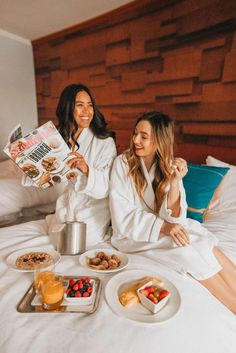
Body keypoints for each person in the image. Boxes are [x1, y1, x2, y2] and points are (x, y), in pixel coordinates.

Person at [109, 111, 236, 313]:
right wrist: (164, 226)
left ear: (160, 140)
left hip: (160, 229)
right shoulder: (122, 164)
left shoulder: (167, 165)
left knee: (205, 241)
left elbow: (175, 216)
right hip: (132, 235)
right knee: (186, 250)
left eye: (144, 136)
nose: (135, 140)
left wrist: (175, 182)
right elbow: (123, 215)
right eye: (135, 133)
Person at [49, 83, 117, 246]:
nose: (87, 111)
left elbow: (106, 189)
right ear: (68, 108)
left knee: (79, 243)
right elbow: (51, 179)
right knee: (54, 242)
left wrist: (87, 170)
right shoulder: (59, 140)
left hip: (92, 212)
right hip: (65, 210)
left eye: (90, 105)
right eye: (80, 105)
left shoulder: (105, 142)